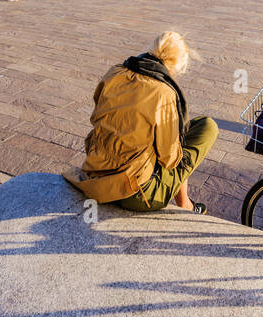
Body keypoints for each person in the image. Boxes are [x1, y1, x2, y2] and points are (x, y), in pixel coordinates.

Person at [64, 31, 217, 214]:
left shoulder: (115, 72)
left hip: (95, 173)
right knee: (206, 127)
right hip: (136, 194)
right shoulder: (164, 92)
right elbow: (169, 159)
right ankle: (186, 204)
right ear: (177, 65)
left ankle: (185, 202)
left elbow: (96, 116)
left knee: (159, 135)